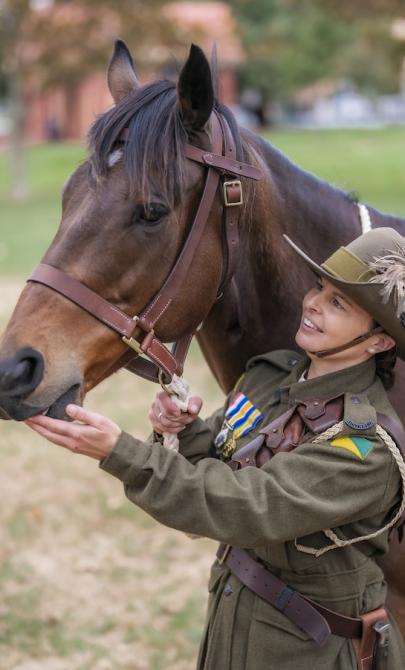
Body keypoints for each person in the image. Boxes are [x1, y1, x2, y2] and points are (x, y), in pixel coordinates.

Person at [26, 227, 405, 670]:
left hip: (307, 651)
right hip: (238, 616)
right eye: (319, 287)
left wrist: (120, 452)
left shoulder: (364, 445)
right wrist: (185, 431)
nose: (313, 304)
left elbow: (247, 505)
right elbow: (224, 465)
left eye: (338, 303)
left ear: (378, 341)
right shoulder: (274, 376)